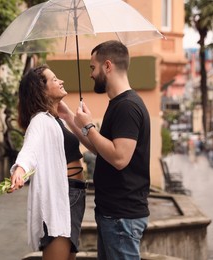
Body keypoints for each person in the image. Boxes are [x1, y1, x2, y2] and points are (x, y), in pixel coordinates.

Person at [73, 40, 151, 259]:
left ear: (107, 66)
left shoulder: (127, 106)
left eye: (92, 67)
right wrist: (70, 117)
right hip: (112, 214)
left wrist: (89, 125)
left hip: (121, 216)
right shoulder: (118, 103)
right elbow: (101, 149)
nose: (90, 74)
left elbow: (119, 158)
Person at [9, 65, 86, 260]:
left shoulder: (54, 119)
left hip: (74, 193)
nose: (60, 81)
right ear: (41, 90)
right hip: (63, 195)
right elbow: (30, 149)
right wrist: (20, 168)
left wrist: (72, 117)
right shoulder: (40, 121)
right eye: (54, 79)